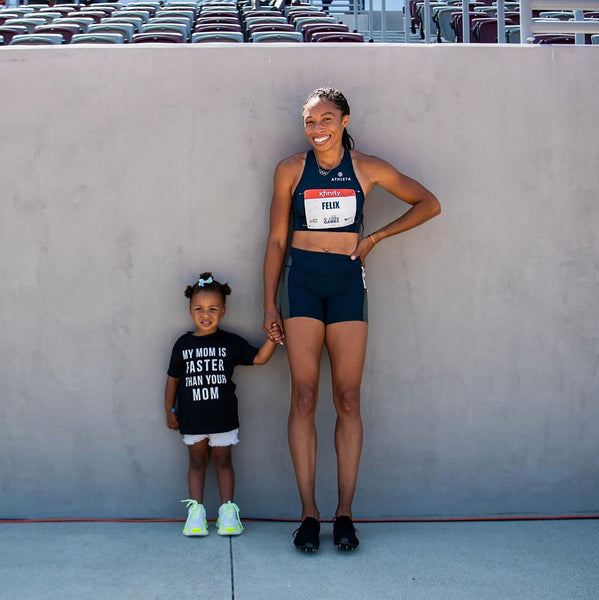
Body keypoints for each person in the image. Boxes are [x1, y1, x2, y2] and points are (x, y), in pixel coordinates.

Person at [263, 87, 441, 552]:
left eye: (326, 119)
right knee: (303, 396)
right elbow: (277, 241)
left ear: (344, 121)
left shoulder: (367, 168)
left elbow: (428, 203)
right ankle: (308, 515)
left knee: (347, 398)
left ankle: (344, 514)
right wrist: (268, 303)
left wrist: (377, 236)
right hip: (300, 282)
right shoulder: (289, 170)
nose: (317, 128)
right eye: (309, 121)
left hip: (345, 284)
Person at [165, 272, 281, 537]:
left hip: (223, 418)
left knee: (223, 461)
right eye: (199, 309)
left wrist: (272, 339)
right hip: (192, 419)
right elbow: (172, 380)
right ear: (190, 310)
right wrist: (170, 410)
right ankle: (196, 514)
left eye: (213, 309)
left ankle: (228, 512)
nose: (206, 314)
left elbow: (259, 359)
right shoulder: (183, 345)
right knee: (196, 462)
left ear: (223, 311)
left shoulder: (229, 342)